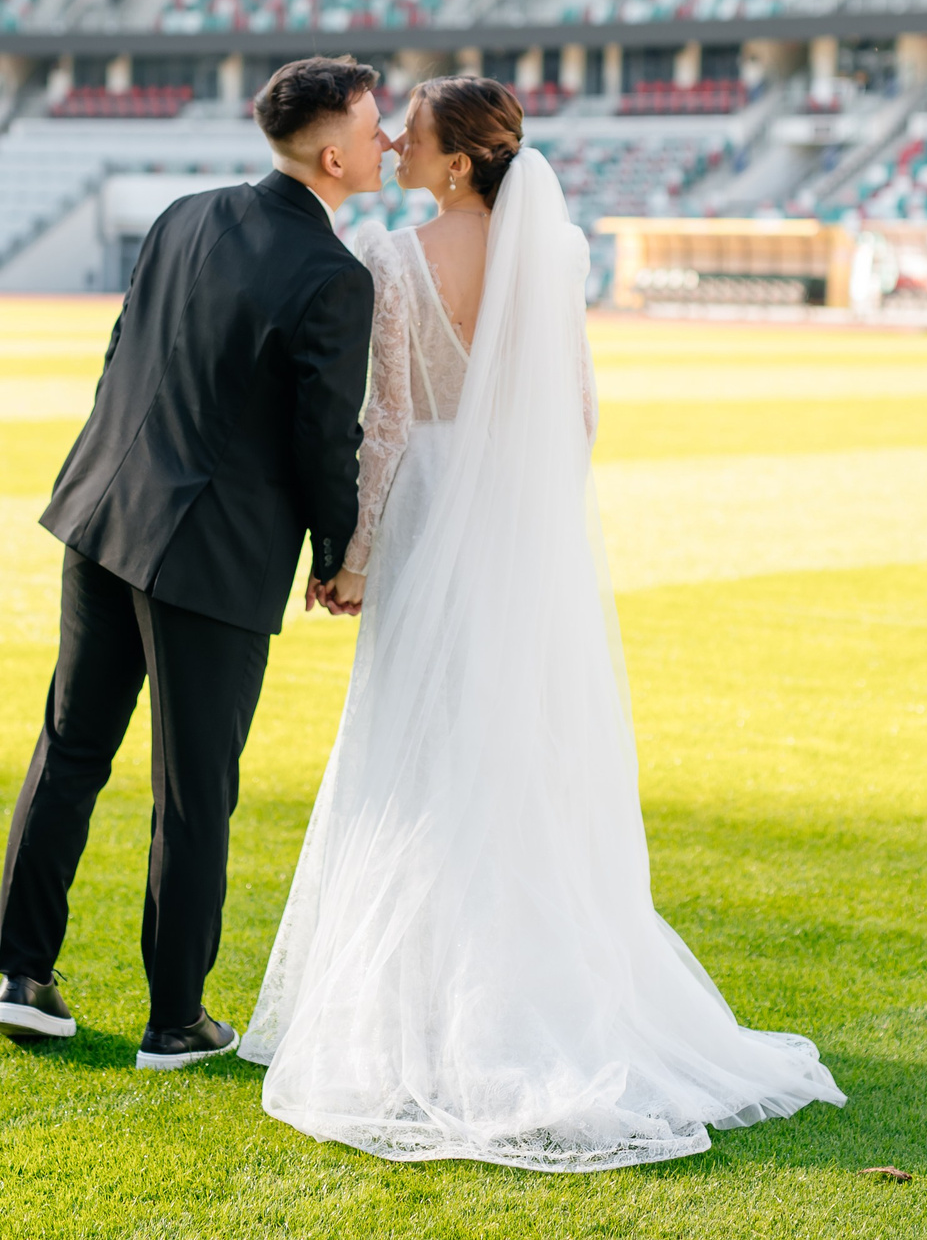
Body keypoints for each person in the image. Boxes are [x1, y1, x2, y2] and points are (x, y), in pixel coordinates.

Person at [240, 76, 847, 1169]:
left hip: (426, 522)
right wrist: (530, 528)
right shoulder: (553, 257)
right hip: (519, 527)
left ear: (458, 163)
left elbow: (377, 433)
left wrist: (354, 557)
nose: (395, 143)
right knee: (513, 756)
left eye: (411, 134)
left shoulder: (388, 262)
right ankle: (529, 992)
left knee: (415, 756)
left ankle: (427, 1016)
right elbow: (577, 413)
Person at [0, 56, 385, 1071]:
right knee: (193, 786)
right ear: (333, 151)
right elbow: (321, 437)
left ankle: (22, 977)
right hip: (212, 552)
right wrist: (340, 555)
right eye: (375, 126)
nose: (385, 140)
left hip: (103, 511)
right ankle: (176, 1019)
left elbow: (126, 348)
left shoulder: (180, 215)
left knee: (69, 747)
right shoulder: (335, 276)